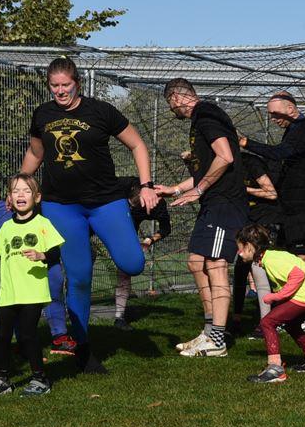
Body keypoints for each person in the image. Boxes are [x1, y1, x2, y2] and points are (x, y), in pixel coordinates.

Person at [21, 57, 158, 374]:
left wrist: (147, 185)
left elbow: (138, 145)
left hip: (105, 202)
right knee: (79, 277)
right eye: (54, 86)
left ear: (77, 83)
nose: (60, 91)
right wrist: (20, 186)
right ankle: (83, 349)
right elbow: (36, 153)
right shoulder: (43, 114)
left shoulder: (101, 111)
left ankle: (83, 340)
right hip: (62, 206)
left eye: (65, 85)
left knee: (133, 263)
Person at [154, 78, 247, 358]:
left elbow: (225, 157)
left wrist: (199, 189)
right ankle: (209, 331)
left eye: (170, 103)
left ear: (176, 98)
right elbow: (207, 168)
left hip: (225, 203)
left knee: (216, 264)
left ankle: (218, 339)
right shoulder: (201, 120)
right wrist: (176, 189)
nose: (171, 109)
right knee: (195, 262)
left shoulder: (206, 114)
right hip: (212, 202)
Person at [0, 175, 63, 397]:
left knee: (28, 335)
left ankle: (40, 380)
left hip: (33, 292)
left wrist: (41, 255)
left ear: (37, 197)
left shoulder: (43, 224)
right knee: (2, 337)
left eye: (26, 191)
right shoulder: (7, 227)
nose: (21, 195)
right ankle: (1, 380)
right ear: (9, 198)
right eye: (16, 191)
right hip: (8, 294)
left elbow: (55, 253)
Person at [239, 91, 305, 269]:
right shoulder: (293, 130)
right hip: (291, 206)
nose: (273, 119)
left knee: (303, 253)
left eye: (276, 114)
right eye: (271, 115)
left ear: (291, 109)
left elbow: (279, 153)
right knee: (290, 252)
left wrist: (246, 143)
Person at [235, 224, 305, 383]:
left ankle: (275, 369)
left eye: (240, 248)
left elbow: (298, 275)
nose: (239, 253)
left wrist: (277, 296)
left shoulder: (272, 259)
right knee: (291, 324)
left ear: (250, 246)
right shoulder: (269, 258)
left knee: (267, 322)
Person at [112, 177, 172, 331]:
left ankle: (119, 317)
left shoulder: (158, 203)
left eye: (136, 205)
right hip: (111, 218)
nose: (133, 206)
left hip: (129, 229)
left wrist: (149, 240)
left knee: (124, 271)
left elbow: (166, 229)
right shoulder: (125, 184)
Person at [235, 153, 280, 340]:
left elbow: (271, 193)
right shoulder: (224, 164)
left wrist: (244, 189)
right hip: (245, 221)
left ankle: (266, 322)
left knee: (259, 268)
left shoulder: (250, 162)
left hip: (264, 221)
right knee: (240, 270)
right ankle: (236, 319)